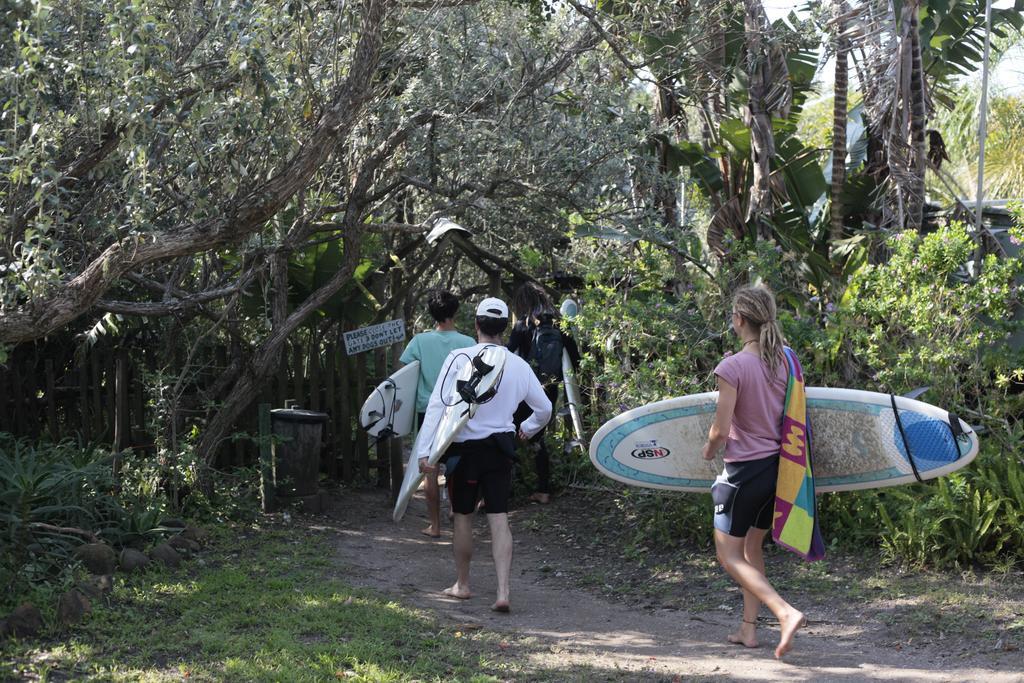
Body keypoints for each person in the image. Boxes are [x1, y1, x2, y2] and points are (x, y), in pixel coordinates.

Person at [416, 297, 552, 612]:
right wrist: (527, 429)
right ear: (504, 328)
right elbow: (544, 408)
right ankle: (503, 592)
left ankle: (462, 585)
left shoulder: (458, 357)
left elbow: (437, 406)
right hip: (500, 450)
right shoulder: (518, 365)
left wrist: (427, 454)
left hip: (463, 452)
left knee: (463, 517)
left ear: (476, 325)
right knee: (499, 518)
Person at [701, 285, 806, 659]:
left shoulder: (732, 367)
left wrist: (709, 449)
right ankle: (748, 630)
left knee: (728, 555)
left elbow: (721, 427)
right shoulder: (788, 360)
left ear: (739, 319)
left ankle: (784, 611)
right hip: (779, 470)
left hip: (743, 473)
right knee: (751, 547)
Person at [399, 290, 476, 538]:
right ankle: (455, 508)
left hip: (427, 411)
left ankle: (435, 525)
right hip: (459, 414)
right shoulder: (469, 343)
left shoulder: (419, 342)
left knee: (429, 469)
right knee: (458, 464)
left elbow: (406, 374)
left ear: (432, 314)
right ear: (455, 312)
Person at [508, 282, 579, 504]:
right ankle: (543, 489)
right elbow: (575, 359)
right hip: (549, 389)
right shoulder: (560, 324)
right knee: (538, 437)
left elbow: (509, 355)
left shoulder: (522, 325)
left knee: (511, 433)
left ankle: (510, 486)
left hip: (524, 390)